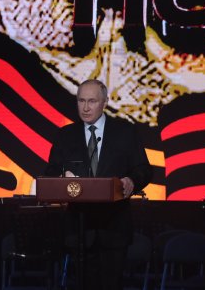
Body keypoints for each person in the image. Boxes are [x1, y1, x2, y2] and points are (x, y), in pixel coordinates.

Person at [44, 79, 153, 290]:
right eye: (81, 101)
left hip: (114, 228)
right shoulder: (66, 135)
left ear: (104, 102)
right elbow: (51, 171)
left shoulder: (125, 132)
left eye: (92, 101)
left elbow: (143, 169)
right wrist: (61, 176)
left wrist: (131, 181)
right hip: (78, 230)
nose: (85, 107)